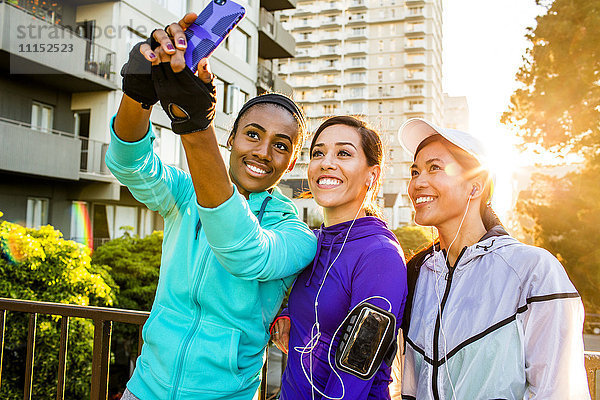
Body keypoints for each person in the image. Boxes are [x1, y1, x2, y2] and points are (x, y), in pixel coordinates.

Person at [107, 14, 317, 400]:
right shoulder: (185, 194)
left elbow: (245, 252)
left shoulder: (297, 235)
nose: (262, 152)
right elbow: (127, 163)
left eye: (281, 145)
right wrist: (137, 95)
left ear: (291, 161)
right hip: (144, 388)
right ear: (232, 138)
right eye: (253, 135)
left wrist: (193, 127)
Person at [398, 118, 590, 399]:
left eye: (434, 168)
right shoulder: (416, 274)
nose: (418, 183)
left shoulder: (533, 270)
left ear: (475, 188)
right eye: (415, 172)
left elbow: (558, 390)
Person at [270, 116, 408, 399]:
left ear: (373, 175)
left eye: (343, 153)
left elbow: (356, 370)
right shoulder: (313, 242)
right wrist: (286, 316)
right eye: (318, 153)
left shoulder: (379, 254)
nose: (326, 162)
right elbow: (320, 307)